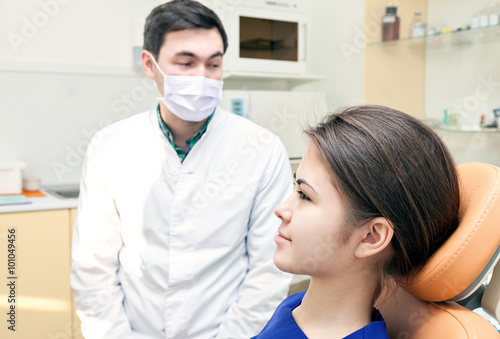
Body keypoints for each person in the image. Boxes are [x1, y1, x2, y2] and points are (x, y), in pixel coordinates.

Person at [70, 1, 293, 338]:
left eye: (213, 64)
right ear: (150, 64)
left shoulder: (261, 149)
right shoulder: (110, 146)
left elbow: (268, 268)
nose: (202, 77)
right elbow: (94, 267)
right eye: (186, 62)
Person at [252, 105, 460, 338]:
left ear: (371, 237)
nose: (280, 210)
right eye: (295, 188)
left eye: (305, 196)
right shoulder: (294, 308)